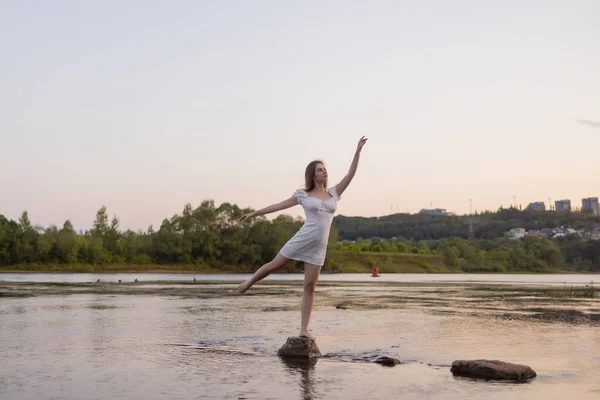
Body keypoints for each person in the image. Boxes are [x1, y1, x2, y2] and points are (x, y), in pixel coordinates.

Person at [237, 136, 368, 340]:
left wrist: (358, 151)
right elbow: (277, 206)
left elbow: (351, 174)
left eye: (325, 169)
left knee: (310, 287)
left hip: (319, 246)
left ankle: (303, 330)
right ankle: (249, 283)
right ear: (313, 176)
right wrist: (254, 214)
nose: (324, 171)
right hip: (303, 238)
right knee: (273, 266)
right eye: (320, 169)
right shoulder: (303, 195)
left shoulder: (334, 193)